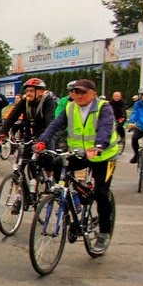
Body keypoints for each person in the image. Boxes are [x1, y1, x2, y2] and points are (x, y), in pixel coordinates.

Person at [35, 79, 118, 253]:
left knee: (101, 193)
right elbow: (55, 126)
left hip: (104, 156)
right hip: (80, 153)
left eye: (82, 92)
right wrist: (43, 141)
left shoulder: (103, 107)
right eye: (74, 92)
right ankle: (74, 199)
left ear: (93, 93)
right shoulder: (70, 108)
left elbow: (105, 128)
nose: (78, 95)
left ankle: (103, 233)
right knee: (57, 163)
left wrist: (99, 146)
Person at [126, 86, 143, 163]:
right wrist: (131, 122)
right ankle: (136, 155)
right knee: (134, 139)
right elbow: (135, 114)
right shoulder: (137, 104)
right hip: (140, 126)